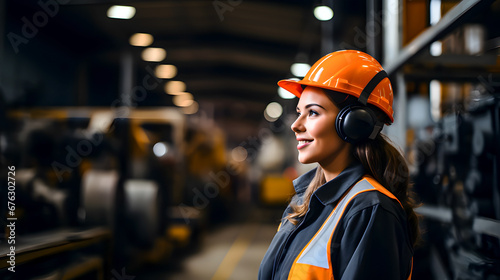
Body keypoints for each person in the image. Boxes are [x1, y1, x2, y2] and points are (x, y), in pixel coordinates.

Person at [258, 50, 419, 280]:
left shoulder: (370, 210)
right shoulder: (303, 202)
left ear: (354, 123)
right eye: (298, 112)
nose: (295, 125)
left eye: (312, 113)